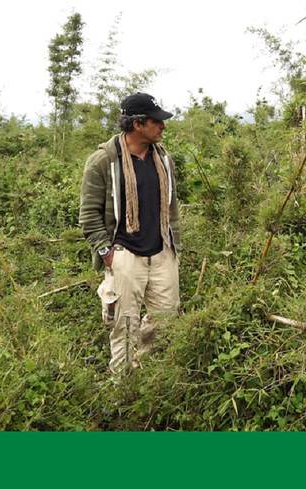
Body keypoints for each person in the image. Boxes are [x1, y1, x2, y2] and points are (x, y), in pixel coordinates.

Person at [79, 92, 181, 373]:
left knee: (165, 323)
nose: (163, 126)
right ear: (137, 124)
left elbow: (171, 207)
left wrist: (174, 246)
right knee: (124, 326)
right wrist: (107, 253)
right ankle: (121, 390)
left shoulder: (163, 160)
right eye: (156, 121)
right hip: (125, 256)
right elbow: (88, 215)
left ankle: (147, 382)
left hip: (161, 253)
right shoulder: (103, 161)